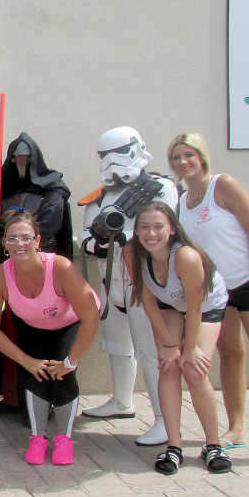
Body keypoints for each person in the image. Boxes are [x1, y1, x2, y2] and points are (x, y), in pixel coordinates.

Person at [169, 132, 249, 474]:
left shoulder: (223, 185)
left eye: (189, 155)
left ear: (202, 157)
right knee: (231, 355)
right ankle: (237, 428)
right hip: (217, 291)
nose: (183, 162)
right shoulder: (181, 199)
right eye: (177, 157)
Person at [79, 126, 177, 446]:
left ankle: (165, 420)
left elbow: (161, 232)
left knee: (149, 352)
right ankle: (122, 401)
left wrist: (126, 238)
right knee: (118, 346)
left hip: (145, 283)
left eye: (117, 154)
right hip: (111, 282)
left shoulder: (159, 188)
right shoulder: (101, 197)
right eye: (103, 157)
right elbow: (86, 241)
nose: (110, 163)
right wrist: (102, 243)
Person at [0, 210, 100, 466]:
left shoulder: (60, 267)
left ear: (37, 241)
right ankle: (37, 438)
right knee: (34, 373)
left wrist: (70, 362)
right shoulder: (0, 275)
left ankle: (64, 438)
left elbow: (91, 319)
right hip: (33, 324)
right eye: (12, 238)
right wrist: (25, 361)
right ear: (4, 243)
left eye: (26, 237)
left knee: (61, 374)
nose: (19, 244)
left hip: (71, 322)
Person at [124, 202, 231, 475]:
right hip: (168, 305)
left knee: (195, 370)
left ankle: (213, 444)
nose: (151, 233)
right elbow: (146, 298)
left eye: (158, 226)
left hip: (205, 307)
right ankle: (174, 446)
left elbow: (195, 307)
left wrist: (191, 348)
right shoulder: (132, 252)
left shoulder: (186, 257)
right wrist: (170, 346)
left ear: (171, 229)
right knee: (168, 366)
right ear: (136, 230)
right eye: (144, 227)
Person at [0, 132, 74, 414]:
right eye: (16, 158)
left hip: (45, 273)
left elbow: (48, 224)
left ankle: (48, 403)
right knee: (15, 338)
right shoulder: (2, 190)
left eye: (26, 158)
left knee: (49, 344)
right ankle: (15, 399)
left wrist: (13, 229)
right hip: (8, 272)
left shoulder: (53, 190)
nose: (21, 162)